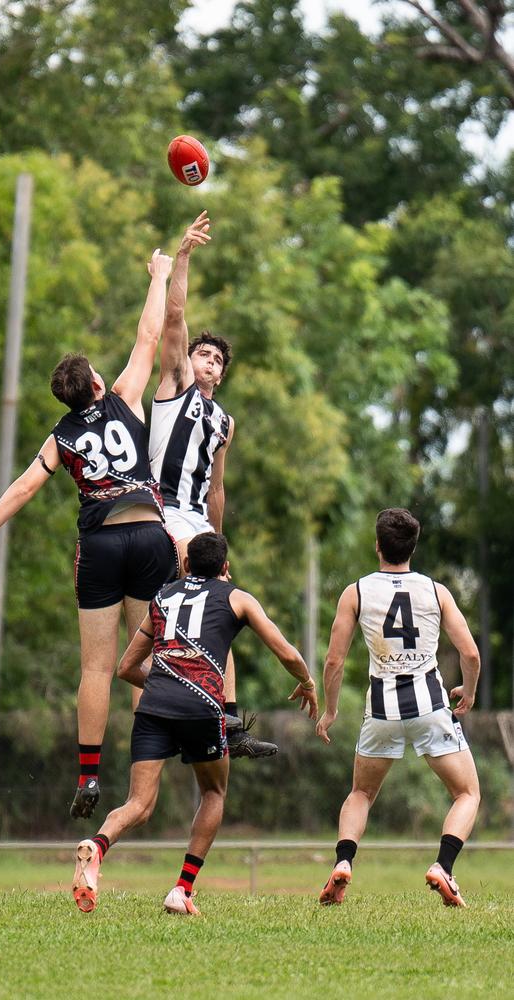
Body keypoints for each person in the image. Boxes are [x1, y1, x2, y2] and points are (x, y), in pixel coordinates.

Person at [0, 248, 178, 820]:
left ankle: (89, 775)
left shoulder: (61, 436)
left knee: (95, 668)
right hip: (148, 534)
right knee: (141, 656)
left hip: (98, 546)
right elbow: (149, 336)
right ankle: (145, 773)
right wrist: (160, 275)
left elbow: (23, 488)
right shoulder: (123, 398)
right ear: (96, 381)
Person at [71, 532, 318, 915]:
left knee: (137, 804)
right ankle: (182, 889)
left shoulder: (162, 597)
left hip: (152, 708)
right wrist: (306, 681)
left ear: (185, 566)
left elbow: (125, 668)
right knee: (214, 792)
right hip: (203, 708)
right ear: (225, 568)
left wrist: (163, 685)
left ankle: (97, 846)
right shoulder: (236, 596)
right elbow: (285, 651)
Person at [148, 211, 278, 759]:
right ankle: (179, 693)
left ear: (221, 375)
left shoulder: (225, 421)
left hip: (199, 519)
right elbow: (174, 315)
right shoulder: (174, 383)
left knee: (227, 603)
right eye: (204, 353)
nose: (208, 360)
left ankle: (227, 715)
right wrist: (183, 255)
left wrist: (218, 553)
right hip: (161, 509)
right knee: (184, 593)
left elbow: (218, 491)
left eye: (217, 359)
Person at [315, 508, 481, 908]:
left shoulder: (355, 591)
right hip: (429, 705)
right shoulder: (436, 590)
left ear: (377, 546)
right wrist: (470, 692)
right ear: (413, 547)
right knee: (467, 793)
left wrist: (331, 711)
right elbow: (470, 653)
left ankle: (343, 862)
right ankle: (443, 866)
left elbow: (334, 661)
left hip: (382, 710)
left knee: (361, 792)